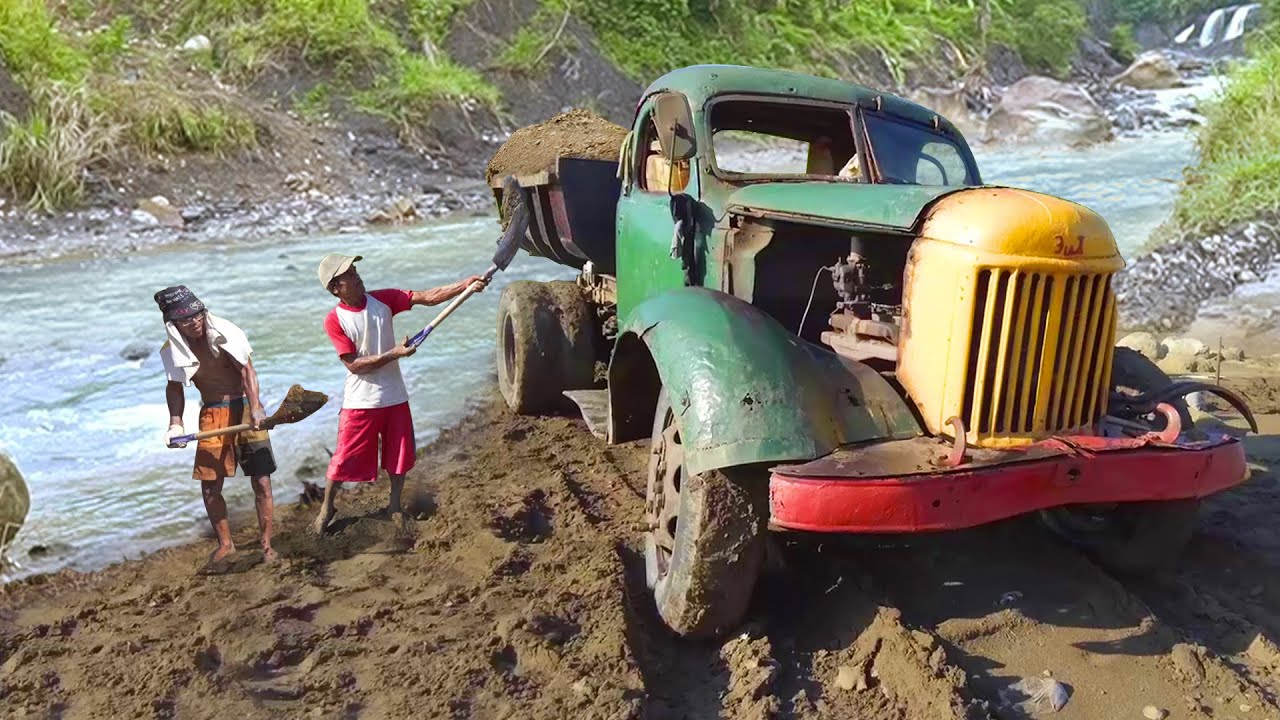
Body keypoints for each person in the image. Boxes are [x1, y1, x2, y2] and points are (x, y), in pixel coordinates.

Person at [313, 254, 487, 534]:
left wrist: (464, 285)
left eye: (356, 271)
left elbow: (426, 297)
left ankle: (394, 505)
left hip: (395, 396)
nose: (358, 277)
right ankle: (327, 508)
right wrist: (394, 354)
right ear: (336, 288)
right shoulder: (334, 320)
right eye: (350, 275)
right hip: (360, 401)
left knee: (399, 456)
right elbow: (354, 365)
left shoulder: (382, 300)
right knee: (343, 458)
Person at [156, 285, 277, 565]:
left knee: (261, 480)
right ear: (174, 324)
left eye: (197, 315)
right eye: (186, 319)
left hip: (245, 407)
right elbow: (175, 387)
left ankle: (266, 544)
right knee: (210, 486)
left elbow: (247, 370)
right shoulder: (172, 349)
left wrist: (255, 407)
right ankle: (225, 544)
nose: (195, 322)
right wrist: (175, 424)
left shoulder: (226, 332)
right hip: (212, 413)